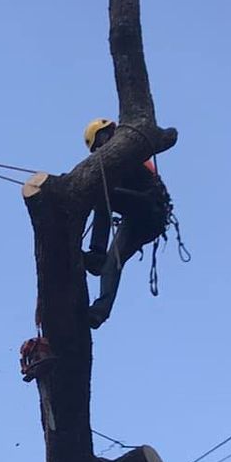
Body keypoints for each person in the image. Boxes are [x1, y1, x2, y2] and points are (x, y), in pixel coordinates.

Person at [81, 118, 171, 329]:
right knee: (112, 262)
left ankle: (96, 252)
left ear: (109, 132)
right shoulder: (110, 166)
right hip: (138, 218)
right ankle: (99, 312)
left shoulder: (130, 150)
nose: (102, 147)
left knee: (101, 194)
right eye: (97, 146)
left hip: (148, 205)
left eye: (102, 139)